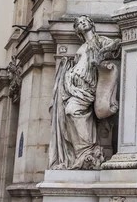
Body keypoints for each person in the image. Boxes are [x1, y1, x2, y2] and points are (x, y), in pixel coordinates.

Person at [49, 16, 121, 170]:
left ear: (91, 24)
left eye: (84, 21)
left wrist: (102, 53)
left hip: (87, 88)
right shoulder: (81, 47)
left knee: (72, 111)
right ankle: (79, 152)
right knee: (66, 114)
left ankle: (87, 149)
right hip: (74, 87)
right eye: (78, 23)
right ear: (77, 30)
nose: (82, 23)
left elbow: (117, 45)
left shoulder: (99, 40)